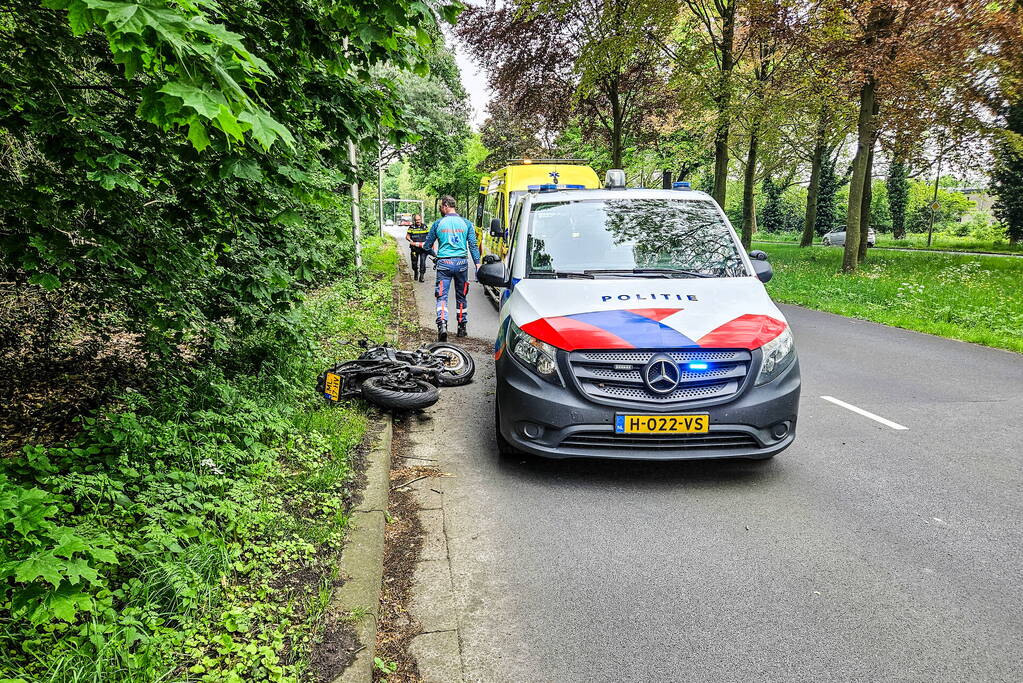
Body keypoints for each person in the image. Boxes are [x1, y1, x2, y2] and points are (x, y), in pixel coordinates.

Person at [422, 196, 480, 341]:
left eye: (441, 206)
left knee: (442, 296)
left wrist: (435, 255)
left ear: (446, 205)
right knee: (462, 296)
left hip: (444, 264)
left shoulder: (438, 223)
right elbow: (473, 245)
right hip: (461, 265)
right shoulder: (467, 224)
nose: (440, 209)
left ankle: (442, 325)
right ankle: (462, 327)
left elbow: (427, 246)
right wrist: (478, 264)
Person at [405, 213, 429, 282]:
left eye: (419, 219)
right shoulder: (411, 227)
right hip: (414, 249)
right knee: (414, 263)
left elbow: (429, 236)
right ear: (414, 221)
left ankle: (421, 276)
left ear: (421, 219)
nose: (418, 221)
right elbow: (407, 236)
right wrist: (410, 240)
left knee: (423, 262)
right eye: (416, 220)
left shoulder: (425, 227)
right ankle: (415, 271)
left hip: (423, 249)